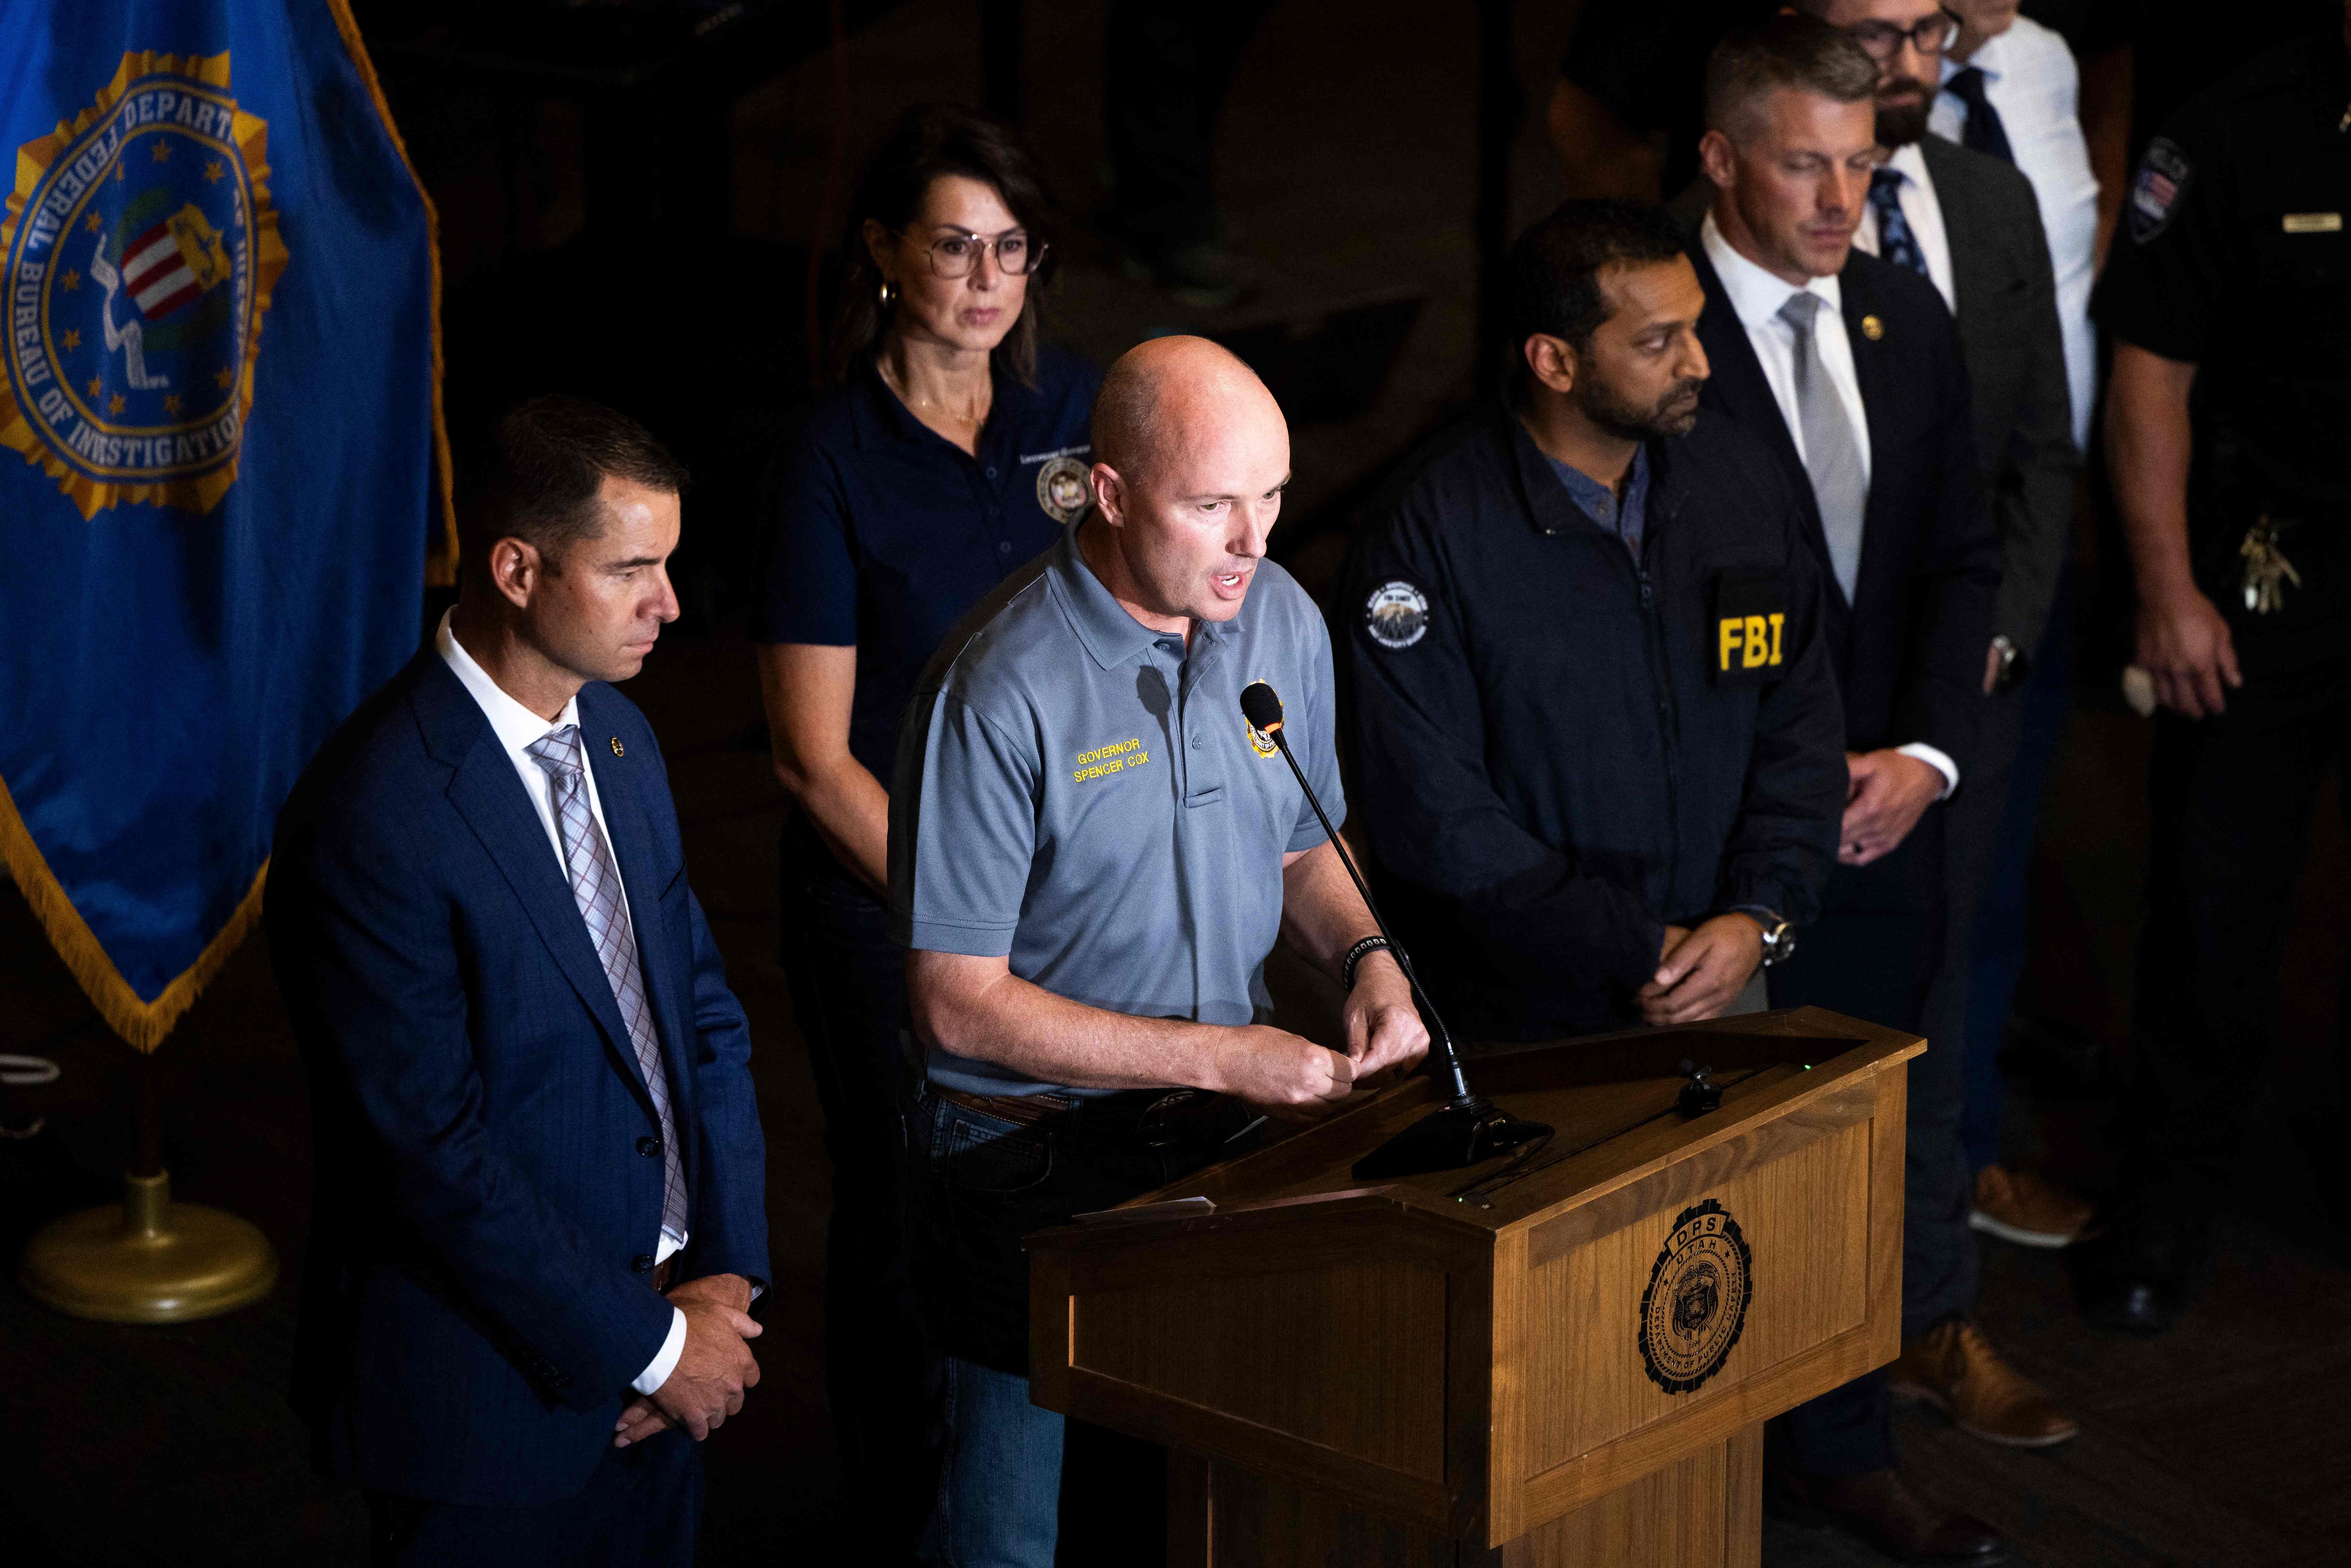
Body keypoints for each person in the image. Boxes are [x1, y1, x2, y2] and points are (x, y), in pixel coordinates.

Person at [890, 335, 1430, 1566]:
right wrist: (1226, 1058)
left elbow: (1304, 845)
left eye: (1275, 497)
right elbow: (956, 1007)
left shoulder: (1279, 615)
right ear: (1112, 493)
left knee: (1203, 1501)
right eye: (1211, 506)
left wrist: (1370, 962)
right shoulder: (999, 688)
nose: (1254, 540)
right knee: (1007, 1537)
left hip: (1206, 1137)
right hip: (1021, 1155)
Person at [269, 398, 770, 1566]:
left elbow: (704, 1021)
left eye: (673, 564)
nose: (673, 604)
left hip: (674, 1365)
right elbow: (432, 1160)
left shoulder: (625, 743)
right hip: (486, 1413)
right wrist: (647, 1345)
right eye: (635, 569)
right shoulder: (374, 812)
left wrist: (723, 1284)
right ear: (516, 568)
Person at [1686, 18, 2012, 1562]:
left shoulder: (1903, 314)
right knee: (1700, 1163)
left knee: (1854, 1142)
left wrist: (1929, 758)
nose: (1840, 199)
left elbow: (1961, 556)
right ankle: (1680, 1461)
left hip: (1883, 827)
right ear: (1721, 159)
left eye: (1861, 165)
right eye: (1806, 165)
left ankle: (1839, 1444)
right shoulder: (1646, 330)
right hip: (1704, 850)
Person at [754, 103, 1099, 1554]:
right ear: (887, 254)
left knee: (1074, 1206)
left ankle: (1036, 1505)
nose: (984, 279)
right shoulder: (827, 456)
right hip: (884, 900)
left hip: (1074, 889)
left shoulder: (1074, 411)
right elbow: (811, 761)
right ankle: (895, 1516)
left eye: (1011, 249)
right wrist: (969, 915)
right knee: (909, 1221)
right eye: (953, 247)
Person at [1784, 0, 2083, 1452]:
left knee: (1942, 1004)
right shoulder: (1717, 223)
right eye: (1870, 29)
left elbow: (2037, 453)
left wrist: (1965, 685)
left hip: (1962, 707)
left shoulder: (1989, 195)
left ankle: (1926, 1319)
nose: (1909, 62)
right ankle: (1766, 1373)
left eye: (1929, 29)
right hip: (1780, 727)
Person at [1343, 199, 1845, 1046]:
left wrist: (1757, 915)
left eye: (1696, 327)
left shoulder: (1740, 485)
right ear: (1554, 361)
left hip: (1725, 976)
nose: (1698, 363)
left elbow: (1800, 719)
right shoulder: (1427, 535)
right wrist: (1634, 945)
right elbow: (1434, 814)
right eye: (1656, 342)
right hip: (1520, 1022)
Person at [2081, 0, 2351, 1334]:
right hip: (2265, 579)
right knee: (2213, 904)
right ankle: (2166, 1200)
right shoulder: (2237, 130)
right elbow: (2149, 373)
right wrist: (2167, 589)